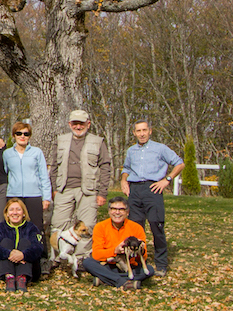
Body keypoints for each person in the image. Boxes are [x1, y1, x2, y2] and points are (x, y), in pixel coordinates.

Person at [122, 119, 184, 277]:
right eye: (138, 131)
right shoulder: (131, 150)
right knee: (135, 229)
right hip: (135, 189)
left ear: (150, 131)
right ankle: (136, 263)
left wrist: (167, 180)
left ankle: (161, 264)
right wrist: (123, 180)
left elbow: (179, 163)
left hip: (153, 189)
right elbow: (127, 168)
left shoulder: (160, 148)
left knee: (157, 226)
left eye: (144, 130)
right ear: (134, 133)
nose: (141, 134)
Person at [50, 109, 113, 237]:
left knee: (87, 226)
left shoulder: (98, 142)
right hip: (64, 189)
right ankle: (58, 256)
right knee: (58, 224)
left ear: (88, 124)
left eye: (81, 124)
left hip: (88, 191)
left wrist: (102, 193)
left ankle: (82, 256)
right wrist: (54, 189)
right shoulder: (61, 140)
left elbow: (105, 168)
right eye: (75, 123)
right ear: (69, 124)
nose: (78, 127)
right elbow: (54, 166)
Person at [82, 196, 154, 290]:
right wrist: (115, 251)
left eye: (121, 209)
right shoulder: (100, 227)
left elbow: (143, 258)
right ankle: (124, 281)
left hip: (129, 267)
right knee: (88, 262)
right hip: (109, 265)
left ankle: (107, 279)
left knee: (150, 270)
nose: (117, 212)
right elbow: (96, 255)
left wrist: (139, 250)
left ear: (127, 212)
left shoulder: (136, 228)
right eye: (114, 209)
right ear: (109, 211)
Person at [3, 122, 51, 240]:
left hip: (34, 195)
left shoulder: (37, 152)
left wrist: (46, 198)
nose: (22, 136)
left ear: (29, 136)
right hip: (14, 195)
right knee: (15, 226)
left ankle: (41, 255)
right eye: (19, 133)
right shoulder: (7, 153)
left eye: (26, 133)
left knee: (36, 226)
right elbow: (5, 172)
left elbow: (43, 175)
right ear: (14, 135)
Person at [0, 198, 45, 292]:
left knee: (25, 242)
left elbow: (38, 248)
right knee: (5, 242)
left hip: (29, 268)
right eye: (11, 210)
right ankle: (9, 278)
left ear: (23, 213)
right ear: (6, 213)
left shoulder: (31, 228)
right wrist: (9, 254)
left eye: (18, 210)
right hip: (4, 266)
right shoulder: (0, 228)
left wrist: (23, 255)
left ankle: (21, 278)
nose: (15, 213)